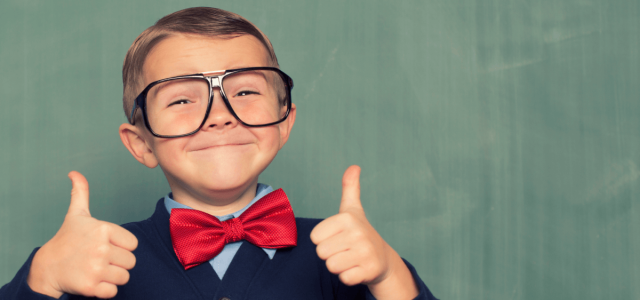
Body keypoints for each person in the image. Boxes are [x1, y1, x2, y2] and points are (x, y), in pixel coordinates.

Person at [0, 7, 437, 300]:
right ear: (140, 143)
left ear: (284, 122)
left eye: (245, 91)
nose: (220, 115)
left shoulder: (342, 256)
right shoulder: (96, 259)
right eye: (181, 100)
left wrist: (389, 275)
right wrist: (43, 277)